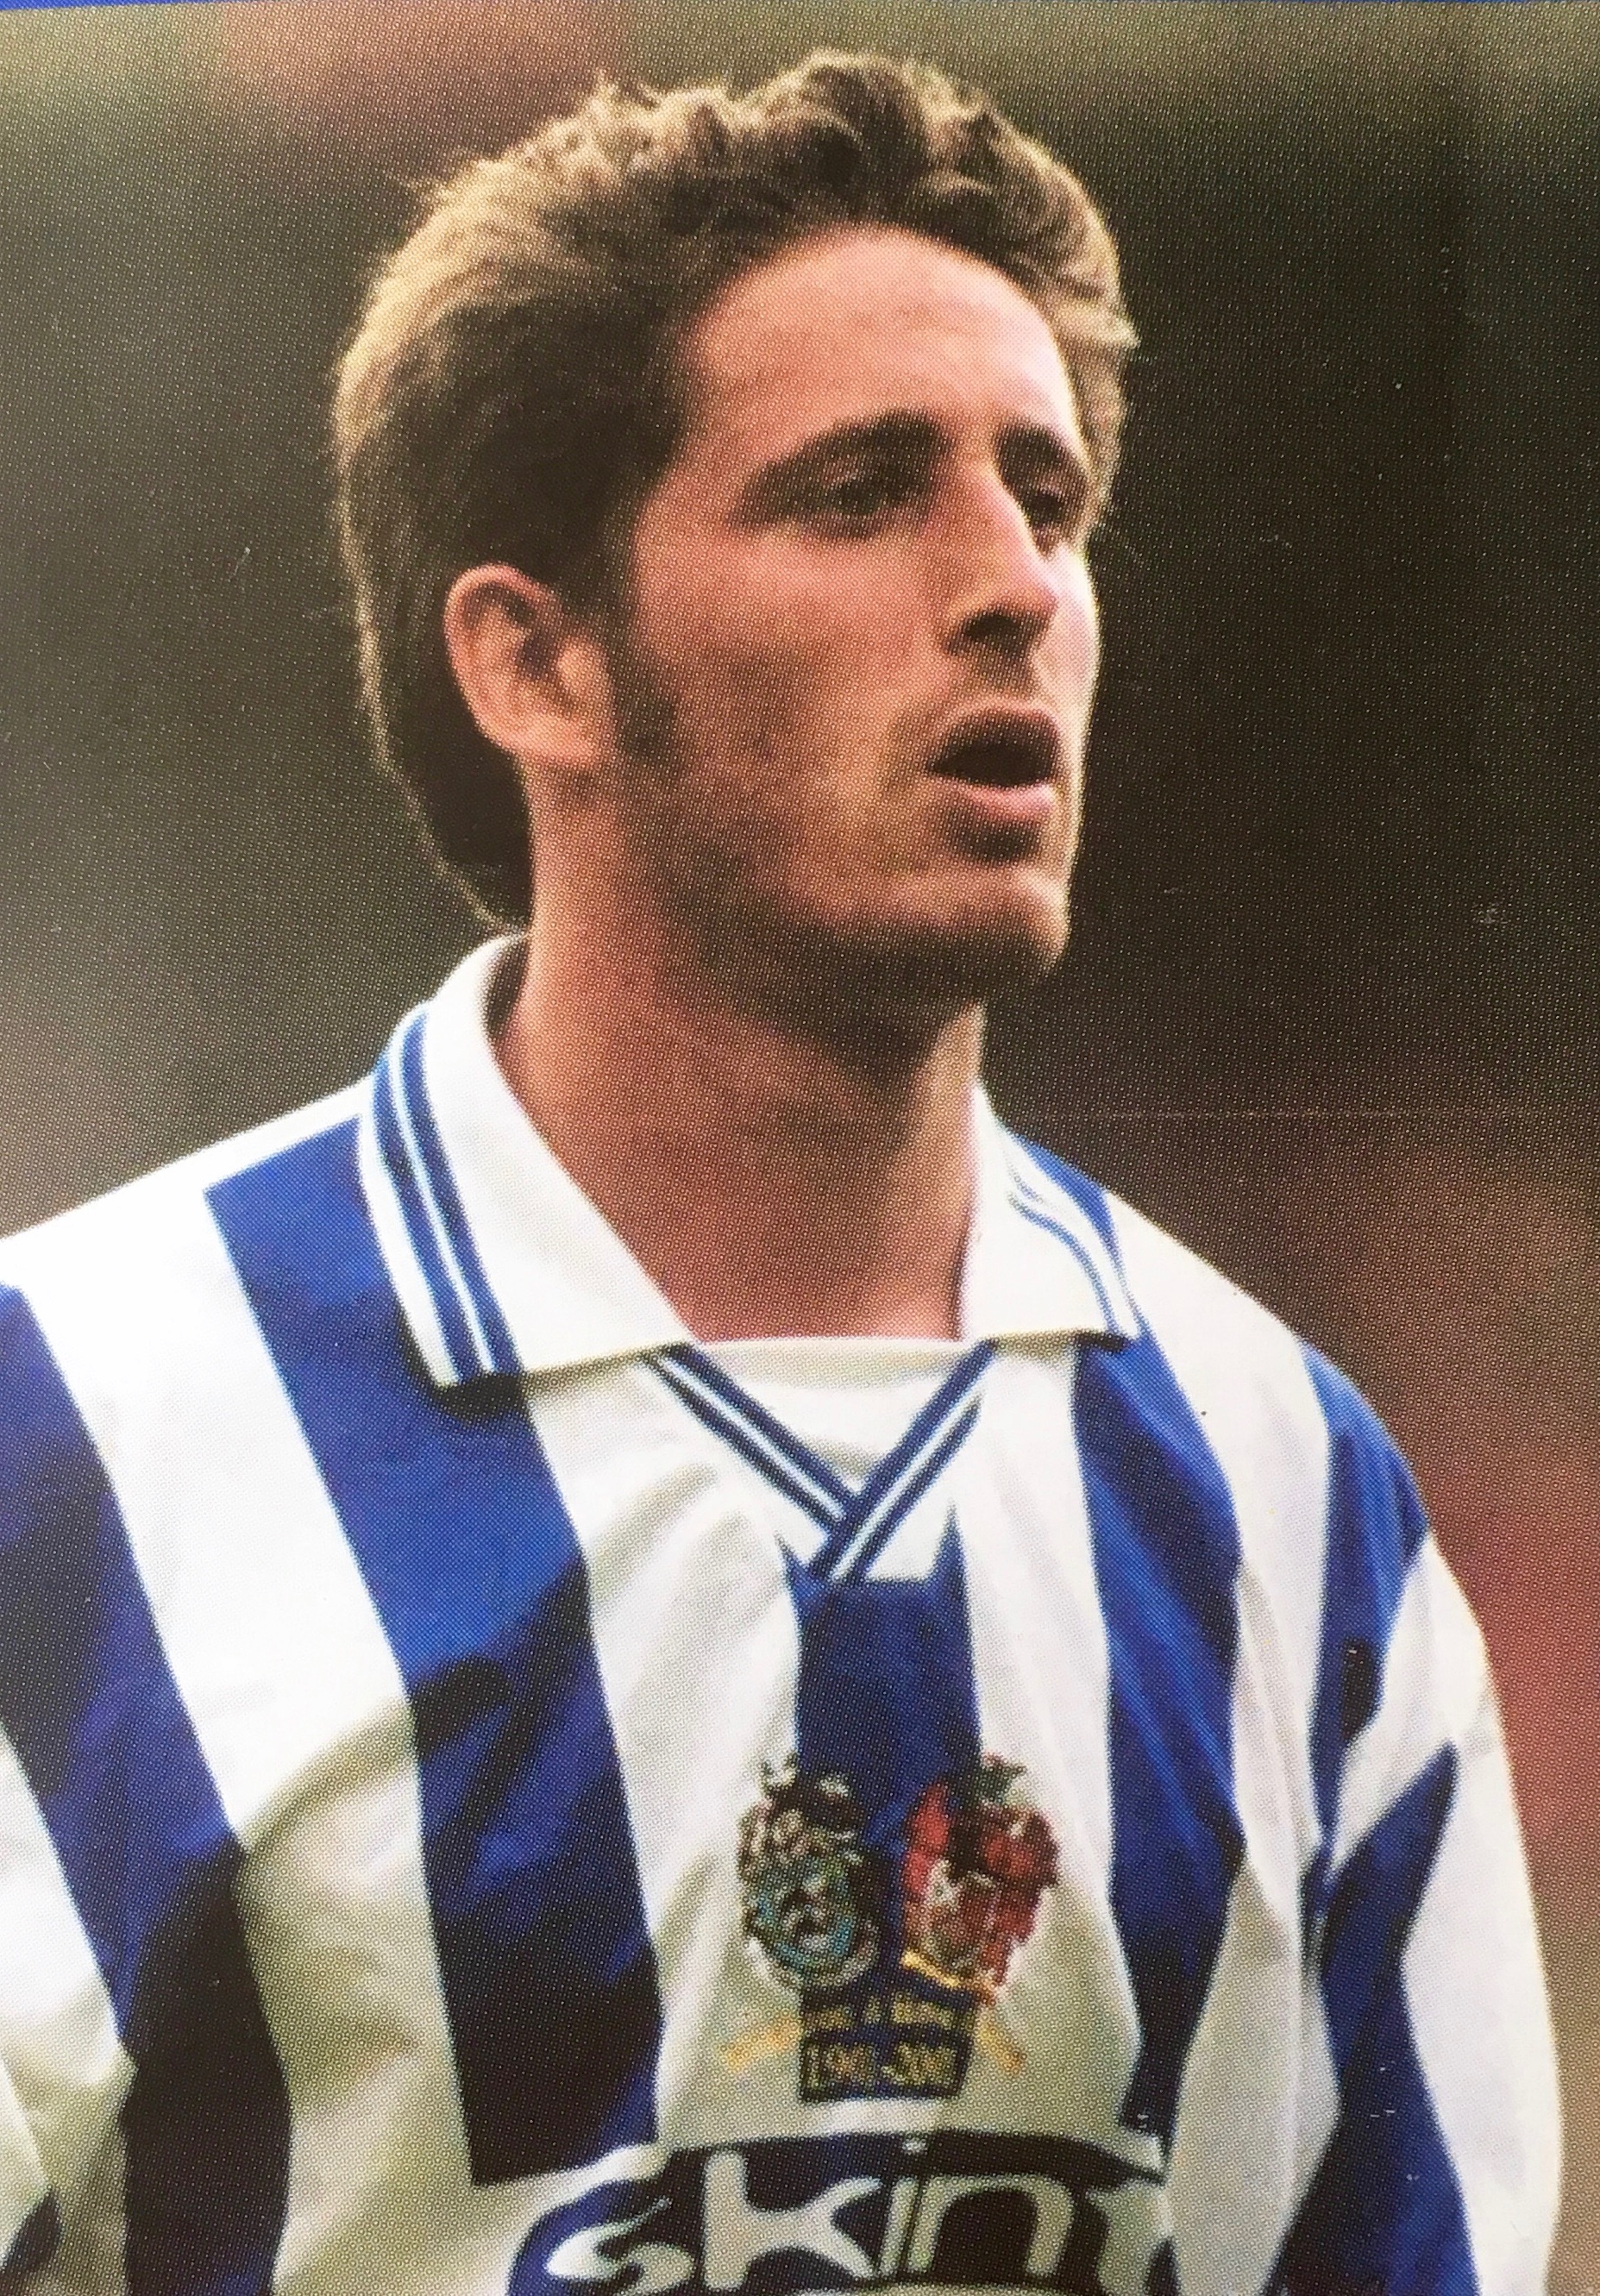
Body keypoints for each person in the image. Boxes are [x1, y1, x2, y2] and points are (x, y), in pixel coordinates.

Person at [0, 52, 1558, 2296]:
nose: (1012, 584)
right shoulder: (85, 1429)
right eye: (859, 493)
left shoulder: (1291, 1501)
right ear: (536, 658)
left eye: (1049, 499)